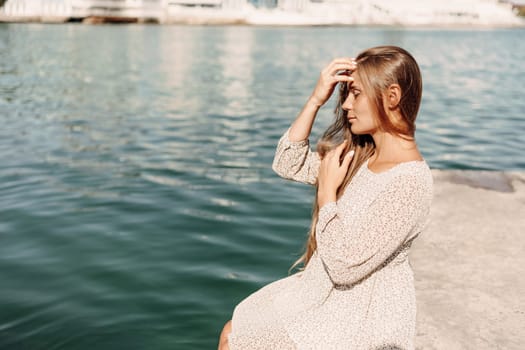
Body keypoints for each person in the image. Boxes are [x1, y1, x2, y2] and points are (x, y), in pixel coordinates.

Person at [218, 46, 433, 350]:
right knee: (234, 328)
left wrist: (327, 195)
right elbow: (287, 163)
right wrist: (317, 98)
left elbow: (346, 264)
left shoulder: (409, 183)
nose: (346, 104)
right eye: (345, 94)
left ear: (392, 96)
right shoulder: (360, 156)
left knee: (236, 340)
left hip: (359, 314)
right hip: (323, 292)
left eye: (355, 93)